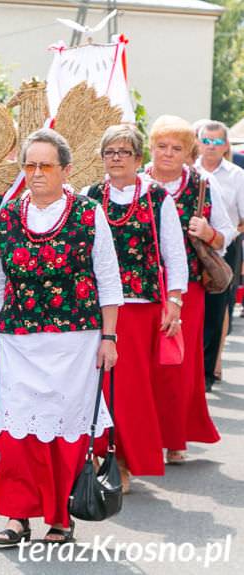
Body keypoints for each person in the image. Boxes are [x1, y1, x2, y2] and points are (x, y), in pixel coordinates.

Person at [0, 128, 123, 545]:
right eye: (29, 165)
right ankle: (16, 514)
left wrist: (109, 337)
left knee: (66, 431)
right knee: (16, 431)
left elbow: (109, 279)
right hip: (19, 338)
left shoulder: (86, 212)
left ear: (66, 169)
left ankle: (60, 517)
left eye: (46, 165)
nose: (37, 173)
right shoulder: (6, 215)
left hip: (75, 339)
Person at [82, 124, 187, 492]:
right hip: (96, 307)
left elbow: (174, 254)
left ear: (138, 158)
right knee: (98, 385)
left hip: (140, 307)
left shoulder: (157, 198)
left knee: (130, 389)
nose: (116, 158)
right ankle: (98, 455)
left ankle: (124, 459)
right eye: (109, 151)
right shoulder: (89, 195)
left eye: (124, 151)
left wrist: (174, 301)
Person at [145, 115, 231, 463]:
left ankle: (175, 437)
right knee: (145, 364)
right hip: (144, 288)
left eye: (176, 148)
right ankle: (143, 435)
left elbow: (225, 237)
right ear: (150, 148)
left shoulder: (202, 185)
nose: (167, 153)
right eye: (161, 146)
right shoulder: (135, 182)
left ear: (188, 152)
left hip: (188, 288)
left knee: (178, 364)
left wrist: (207, 231)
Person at [194, 121, 244, 387]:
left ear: (225, 145)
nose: (210, 147)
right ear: (198, 142)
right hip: (192, 244)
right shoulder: (191, 172)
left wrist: (229, 235)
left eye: (216, 142)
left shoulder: (237, 175)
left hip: (226, 245)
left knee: (217, 308)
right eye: (206, 141)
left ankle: (208, 371)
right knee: (194, 307)